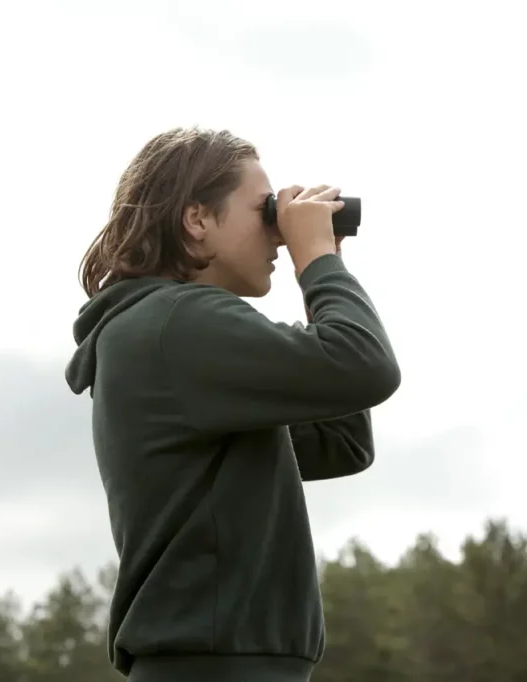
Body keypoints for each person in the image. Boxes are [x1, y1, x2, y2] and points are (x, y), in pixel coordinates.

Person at [64, 126, 401, 682]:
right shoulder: (176, 322)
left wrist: (322, 267)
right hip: (217, 668)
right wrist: (316, 261)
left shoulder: (170, 336)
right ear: (197, 219)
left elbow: (339, 444)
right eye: (263, 211)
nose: (277, 234)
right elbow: (366, 364)